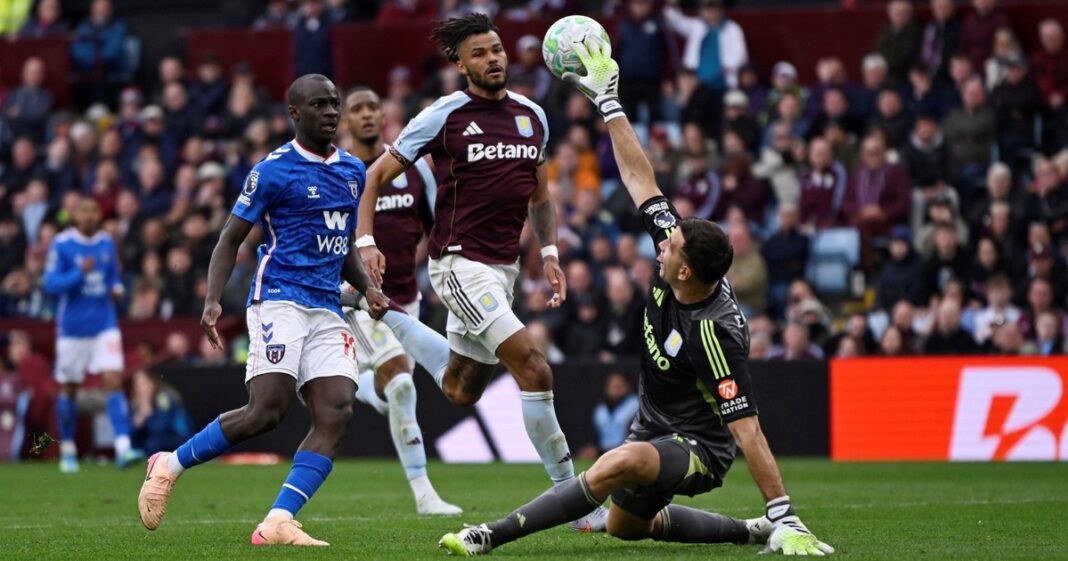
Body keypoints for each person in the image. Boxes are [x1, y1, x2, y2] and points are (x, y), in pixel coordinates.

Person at [438, 37, 833, 557]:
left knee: (614, 465)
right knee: (626, 526)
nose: (661, 244)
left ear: (686, 269)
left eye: (669, 245)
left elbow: (747, 429)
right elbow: (640, 179)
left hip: (700, 447)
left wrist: (787, 510)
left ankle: (488, 535)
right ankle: (752, 530)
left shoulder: (714, 328)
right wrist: (610, 104)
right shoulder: (681, 258)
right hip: (653, 424)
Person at [353, 14, 606, 532]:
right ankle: (576, 504)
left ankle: (378, 310)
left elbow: (538, 195)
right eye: (480, 53)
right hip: (458, 265)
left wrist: (552, 251)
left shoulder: (533, 115)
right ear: (460, 64)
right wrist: (365, 240)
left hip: (504, 268)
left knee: (460, 389)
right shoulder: (444, 115)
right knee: (534, 366)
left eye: (497, 50)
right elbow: (376, 176)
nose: (493, 59)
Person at [137, 74, 390, 546]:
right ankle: (167, 465)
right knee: (266, 411)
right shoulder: (272, 170)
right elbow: (229, 239)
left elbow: (342, 246)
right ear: (295, 113)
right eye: (319, 105)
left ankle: (278, 520)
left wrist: (367, 288)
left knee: (336, 412)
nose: (332, 112)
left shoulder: (354, 170)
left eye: (334, 104)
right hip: (278, 300)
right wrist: (213, 301)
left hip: (327, 308)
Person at [341, 85, 460, 515]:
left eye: (374, 106)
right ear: (345, 122)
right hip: (357, 299)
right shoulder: (340, 170)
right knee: (403, 384)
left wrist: (446, 280)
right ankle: (425, 494)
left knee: (393, 388)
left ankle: (362, 390)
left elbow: (436, 230)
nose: (368, 114)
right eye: (358, 108)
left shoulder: (413, 171)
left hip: (406, 299)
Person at [42, 195, 140, 473]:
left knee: (113, 380)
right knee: (70, 388)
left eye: (94, 211)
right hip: (72, 329)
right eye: (84, 211)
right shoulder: (62, 244)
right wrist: (78, 273)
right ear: (75, 215)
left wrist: (117, 288)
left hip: (104, 325)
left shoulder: (106, 243)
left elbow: (112, 277)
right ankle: (69, 449)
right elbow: (50, 284)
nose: (90, 216)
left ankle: (123, 447)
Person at [592, 372, 639, 455]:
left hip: (628, 450)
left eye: (619, 386)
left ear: (628, 387)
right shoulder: (601, 409)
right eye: (612, 386)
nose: (615, 390)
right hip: (603, 452)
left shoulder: (636, 405)